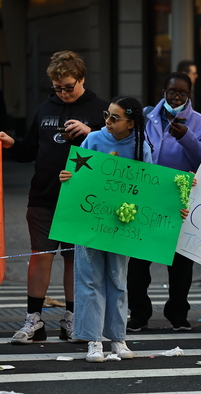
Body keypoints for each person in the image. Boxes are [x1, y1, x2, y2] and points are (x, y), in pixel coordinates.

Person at [0, 50, 108, 344]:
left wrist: (91, 132)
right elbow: (29, 151)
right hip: (43, 194)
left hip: (82, 199)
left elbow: (116, 155)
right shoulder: (45, 108)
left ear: (82, 79)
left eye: (68, 87)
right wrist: (12, 144)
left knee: (76, 260)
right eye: (57, 88)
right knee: (40, 256)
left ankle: (72, 320)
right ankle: (33, 321)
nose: (62, 93)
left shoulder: (100, 109)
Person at [59, 96, 155, 362]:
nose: (108, 122)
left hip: (121, 225)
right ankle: (93, 340)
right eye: (107, 115)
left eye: (115, 117)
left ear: (131, 123)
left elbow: (149, 188)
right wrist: (67, 176)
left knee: (117, 280)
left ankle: (117, 338)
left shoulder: (141, 147)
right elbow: (78, 175)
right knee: (89, 279)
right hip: (91, 220)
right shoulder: (93, 140)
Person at [126, 72, 201, 332]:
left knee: (179, 264)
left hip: (180, 202)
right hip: (147, 199)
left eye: (182, 93)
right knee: (139, 262)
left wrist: (186, 136)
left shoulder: (199, 123)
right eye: (172, 91)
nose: (176, 96)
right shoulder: (146, 117)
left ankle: (178, 315)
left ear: (189, 95)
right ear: (163, 92)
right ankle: (139, 313)